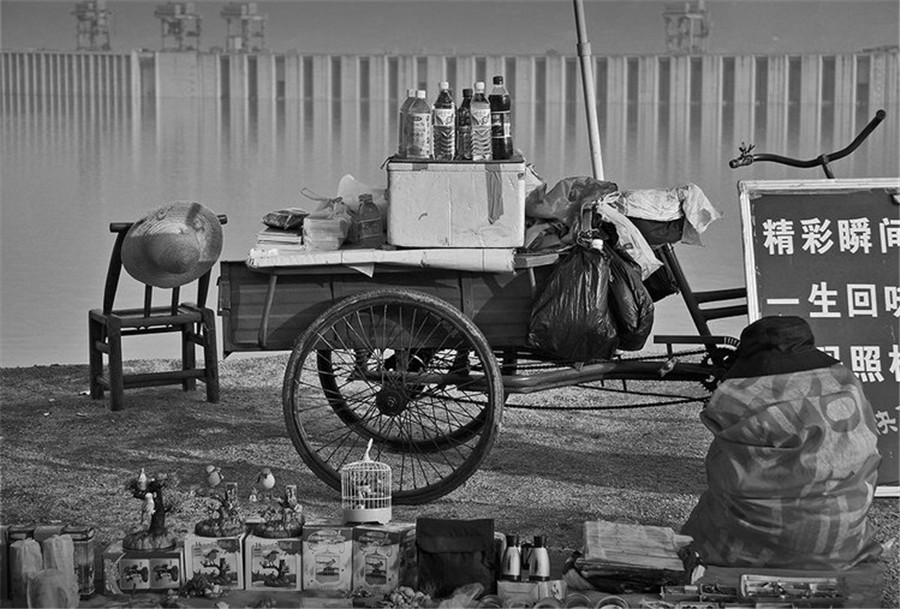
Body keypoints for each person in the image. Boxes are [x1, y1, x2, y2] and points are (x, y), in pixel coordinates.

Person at [681, 316, 883, 569]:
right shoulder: (846, 384)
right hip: (841, 542)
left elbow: (727, 470)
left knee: (713, 517)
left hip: (743, 543)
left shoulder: (735, 397)